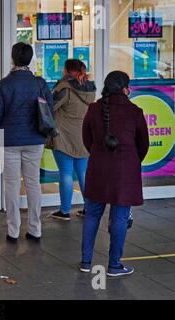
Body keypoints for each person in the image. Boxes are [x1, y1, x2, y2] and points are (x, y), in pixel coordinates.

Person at [79, 71, 149, 277]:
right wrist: (132, 161)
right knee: (119, 217)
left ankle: (85, 262)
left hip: (97, 169)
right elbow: (143, 145)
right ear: (124, 88)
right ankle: (114, 265)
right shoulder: (135, 111)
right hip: (124, 173)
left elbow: (86, 139)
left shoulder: (93, 109)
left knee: (92, 215)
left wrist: (99, 154)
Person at [0, 43, 53, 244]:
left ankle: (13, 230)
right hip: (35, 139)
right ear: (30, 59)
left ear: (12, 58)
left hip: (9, 141)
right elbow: (49, 111)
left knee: (11, 184)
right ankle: (35, 229)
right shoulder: (40, 83)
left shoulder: (4, 84)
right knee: (33, 183)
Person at [49, 59, 96, 221]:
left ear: (66, 70)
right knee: (83, 173)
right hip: (83, 135)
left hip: (64, 136)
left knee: (65, 173)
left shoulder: (64, 87)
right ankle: (89, 208)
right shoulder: (90, 88)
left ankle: (65, 211)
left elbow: (50, 106)